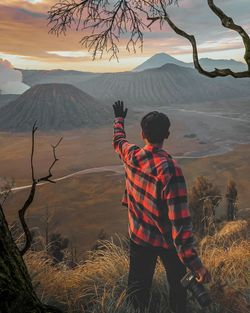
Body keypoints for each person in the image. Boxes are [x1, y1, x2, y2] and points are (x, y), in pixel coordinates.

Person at [112, 100, 211, 313]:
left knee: (137, 290)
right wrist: (196, 266)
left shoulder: (132, 155)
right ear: (167, 134)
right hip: (168, 243)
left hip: (139, 236)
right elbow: (181, 224)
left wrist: (119, 119)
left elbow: (118, 140)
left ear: (142, 134)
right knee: (179, 286)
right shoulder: (170, 169)